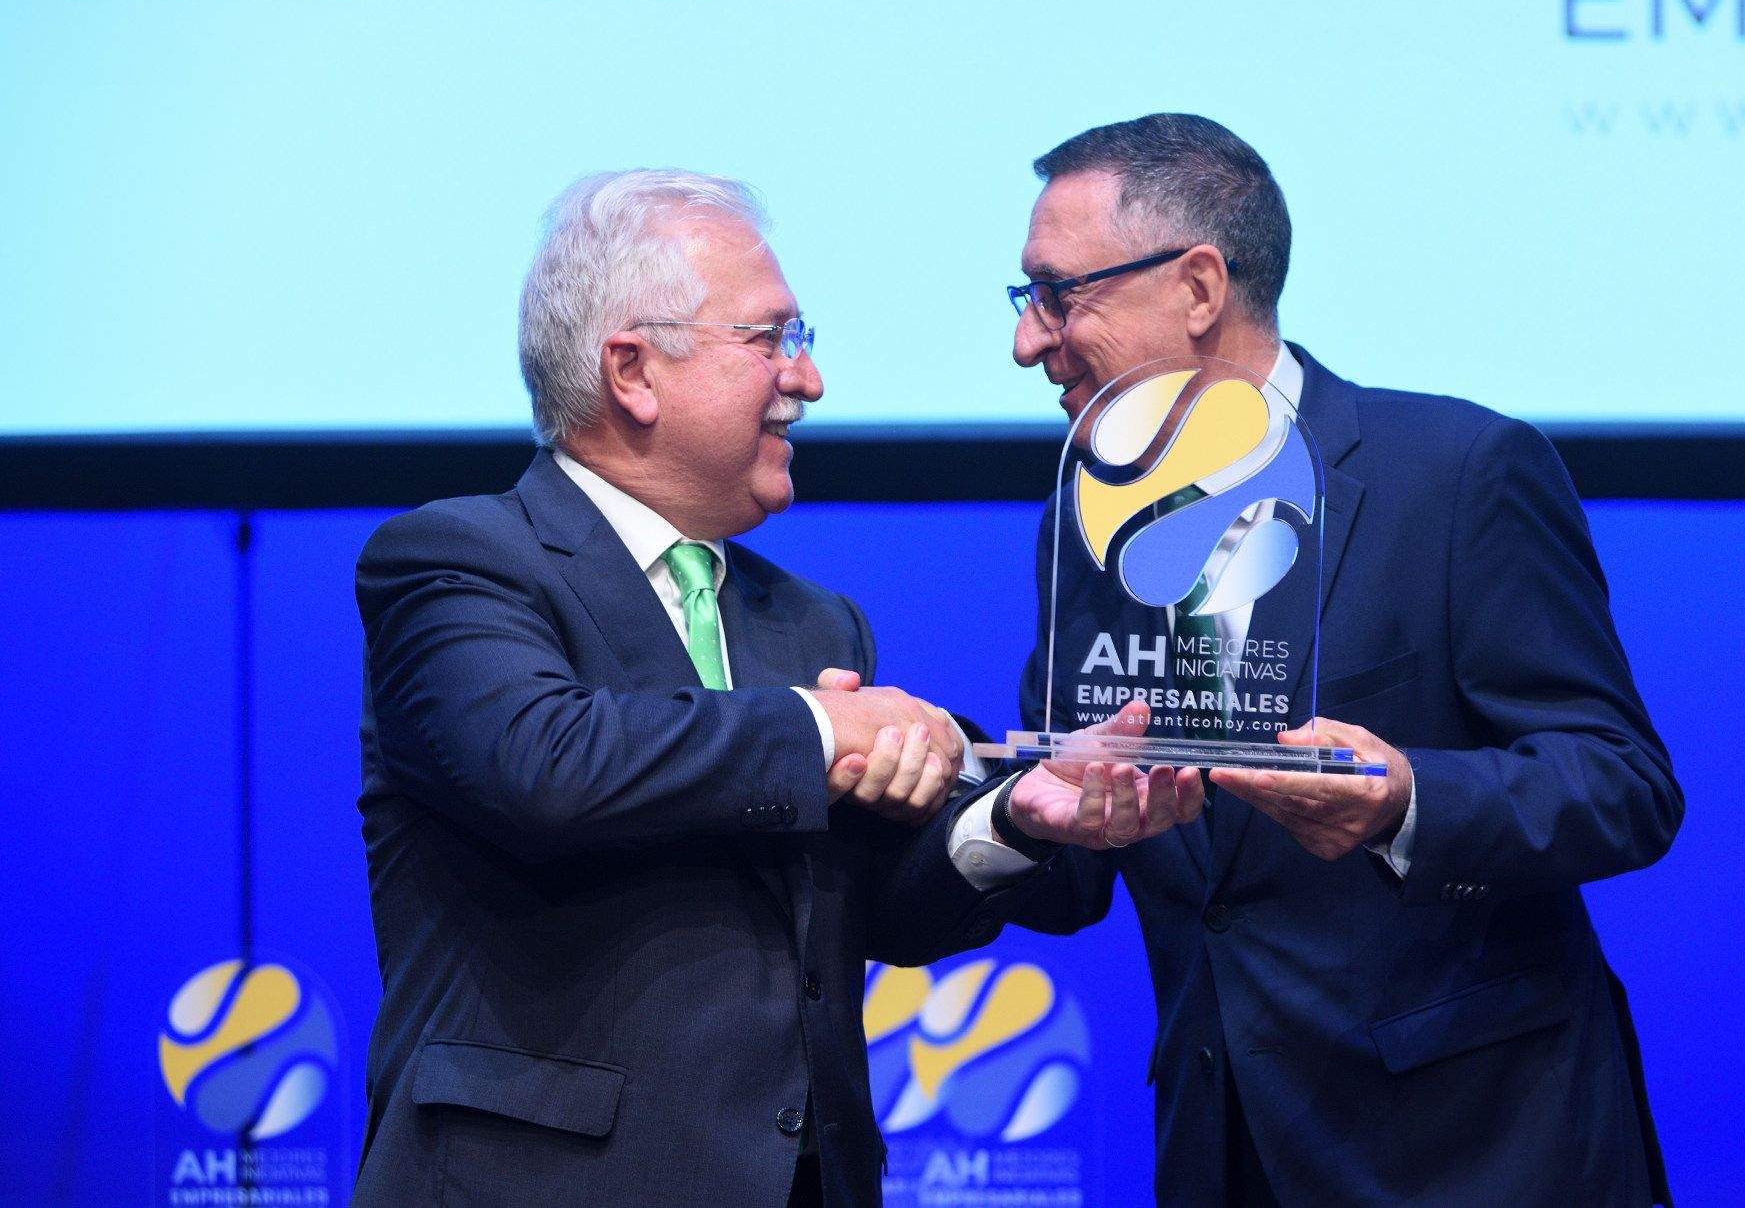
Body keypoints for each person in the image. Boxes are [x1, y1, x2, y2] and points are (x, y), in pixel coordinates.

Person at [350, 169, 1196, 1207]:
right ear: (632, 371)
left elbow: (869, 912)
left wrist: (1012, 818)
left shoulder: (809, 620)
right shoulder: (457, 561)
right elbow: (545, 764)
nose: (809, 378)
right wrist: (818, 727)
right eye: (771, 340)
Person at [980, 115, 1684, 1205]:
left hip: (1478, 1158)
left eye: (1058, 294)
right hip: (1225, 1155)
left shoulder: (1454, 472)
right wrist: (1029, 811)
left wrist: (1404, 799)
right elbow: (1075, 868)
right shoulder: (1082, 520)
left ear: (1199, 288)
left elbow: (1619, 785)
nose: (1028, 340)